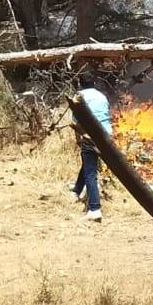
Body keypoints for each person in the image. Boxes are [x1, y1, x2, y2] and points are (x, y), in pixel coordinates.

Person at [69, 72, 111, 222]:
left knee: (90, 174)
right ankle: (76, 190)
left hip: (89, 135)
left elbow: (75, 122)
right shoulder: (102, 96)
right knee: (89, 165)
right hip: (106, 136)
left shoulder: (79, 97)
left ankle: (94, 209)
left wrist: (78, 140)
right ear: (94, 83)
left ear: (80, 84)